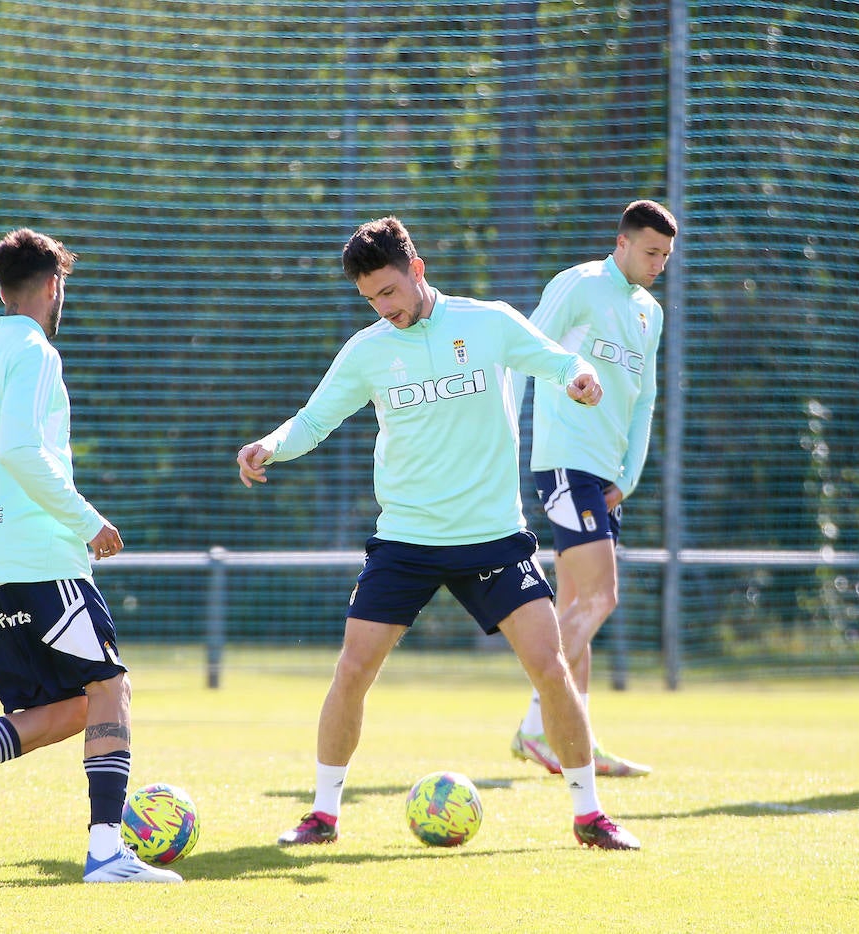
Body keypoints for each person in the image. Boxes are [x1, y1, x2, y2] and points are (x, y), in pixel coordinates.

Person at [237, 216, 640, 850]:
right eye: (371, 299)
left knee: (551, 668)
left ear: (417, 270)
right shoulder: (369, 349)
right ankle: (322, 815)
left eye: (390, 292)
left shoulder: (488, 322)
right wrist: (271, 445)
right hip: (406, 542)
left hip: (492, 538)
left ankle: (590, 814)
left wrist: (578, 379)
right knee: (352, 671)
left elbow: (557, 360)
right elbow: (314, 420)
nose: (384, 308)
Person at [0, 228, 181, 882]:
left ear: (1, 287)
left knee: (74, 706)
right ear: (53, 286)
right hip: (40, 558)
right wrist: (87, 521)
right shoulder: (35, 351)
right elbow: (21, 448)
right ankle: (106, 851)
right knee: (111, 687)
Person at [510, 199, 677, 779]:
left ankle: (573, 739)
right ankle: (537, 722)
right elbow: (522, 354)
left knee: (580, 606)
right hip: (563, 463)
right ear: (623, 243)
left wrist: (627, 476)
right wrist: (503, 441)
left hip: (605, 476)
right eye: (651, 252)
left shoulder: (649, 313)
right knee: (602, 598)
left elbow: (646, 398)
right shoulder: (579, 285)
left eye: (666, 256)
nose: (659, 264)